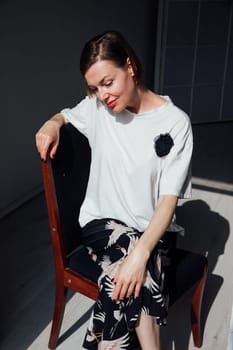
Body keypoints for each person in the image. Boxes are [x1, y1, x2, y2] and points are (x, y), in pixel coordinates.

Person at [36, 30, 193, 350]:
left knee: (119, 282)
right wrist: (52, 123)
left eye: (108, 82)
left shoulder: (177, 123)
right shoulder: (98, 108)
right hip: (101, 224)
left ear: (130, 66)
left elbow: (167, 204)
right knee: (134, 270)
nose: (102, 94)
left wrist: (141, 254)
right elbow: (66, 114)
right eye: (94, 88)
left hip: (153, 231)